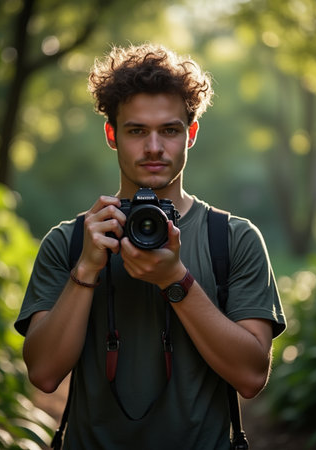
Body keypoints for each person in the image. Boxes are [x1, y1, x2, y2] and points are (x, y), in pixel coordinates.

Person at [15, 43, 286, 450]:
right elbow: (44, 375)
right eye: (137, 130)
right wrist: (86, 271)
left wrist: (175, 280)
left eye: (170, 130)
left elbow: (250, 378)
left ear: (191, 134)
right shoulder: (71, 241)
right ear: (112, 135)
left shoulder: (233, 239)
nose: (154, 147)